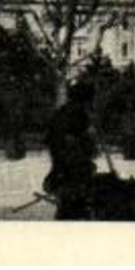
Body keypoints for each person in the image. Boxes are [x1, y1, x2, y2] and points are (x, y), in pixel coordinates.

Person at [45, 81, 99, 220]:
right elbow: (83, 145)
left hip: (61, 167)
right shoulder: (79, 115)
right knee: (74, 208)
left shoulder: (60, 113)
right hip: (74, 170)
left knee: (67, 208)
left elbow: (52, 141)